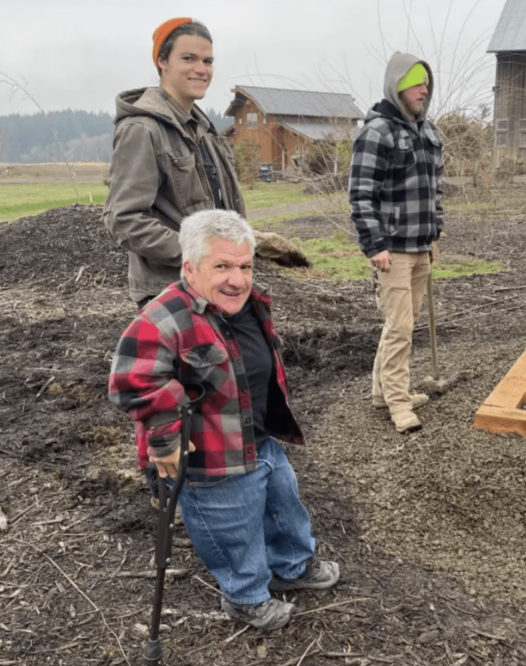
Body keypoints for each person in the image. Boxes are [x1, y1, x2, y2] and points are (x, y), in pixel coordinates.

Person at [108, 209, 340, 631]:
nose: (237, 279)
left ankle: (291, 566)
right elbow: (133, 381)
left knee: (283, 509)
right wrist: (165, 440)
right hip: (211, 458)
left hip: (259, 439)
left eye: (245, 266)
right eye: (222, 267)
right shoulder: (162, 319)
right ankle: (246, 598)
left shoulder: (251, 305)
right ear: (190, 268)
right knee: (234, 531)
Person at [103, 17, 246, 508]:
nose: (201, 68)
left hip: (214, 287)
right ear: (161, 62)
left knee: (208, 393)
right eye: (189, 58)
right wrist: (196, 256)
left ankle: (204, 489)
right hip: (169, 290)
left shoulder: (203, 128)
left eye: (208, 60)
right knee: (165, 400)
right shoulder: (142, 130)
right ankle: (166, 497)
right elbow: (125, 219)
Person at [348, 52, 444, 434]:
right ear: (397, 85)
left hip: (421, 246)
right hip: (392, 249)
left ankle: (381, 392)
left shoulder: (428, 131)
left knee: (402, 323)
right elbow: (361, 196)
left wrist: (434, 233)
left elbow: (435, 192)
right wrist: (374, 245)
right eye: (416, 82)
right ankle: (399, 403)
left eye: (426, 83)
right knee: (400, 326)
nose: (423, 89)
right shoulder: (377, 132)